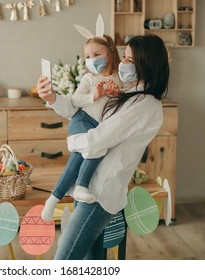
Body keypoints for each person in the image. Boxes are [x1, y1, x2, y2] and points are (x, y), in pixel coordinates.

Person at [36, 34, 170, 259]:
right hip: (91, 188)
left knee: (65, 258)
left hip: (100, 192)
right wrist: (52, 98)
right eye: (124, 57)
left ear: (147, 64)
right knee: (92, 260)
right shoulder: (129, 93)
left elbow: (97, 140)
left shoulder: (144, 105)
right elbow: (83, 110)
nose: (123, 63)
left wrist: (72, 142)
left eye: (129, 59)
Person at [41, 34, 132, 221]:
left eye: (97, 54)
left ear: (110, 53)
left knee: (81, 155)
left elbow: (127, 100)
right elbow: (75, 100)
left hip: (99, 127)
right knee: (95, 146)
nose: (92, 60)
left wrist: (117, 93)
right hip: (82, 120)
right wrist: (94, 96)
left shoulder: (118, 78)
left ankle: (53, 200)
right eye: (88, 56)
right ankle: (80, 186)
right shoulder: (89, 79)